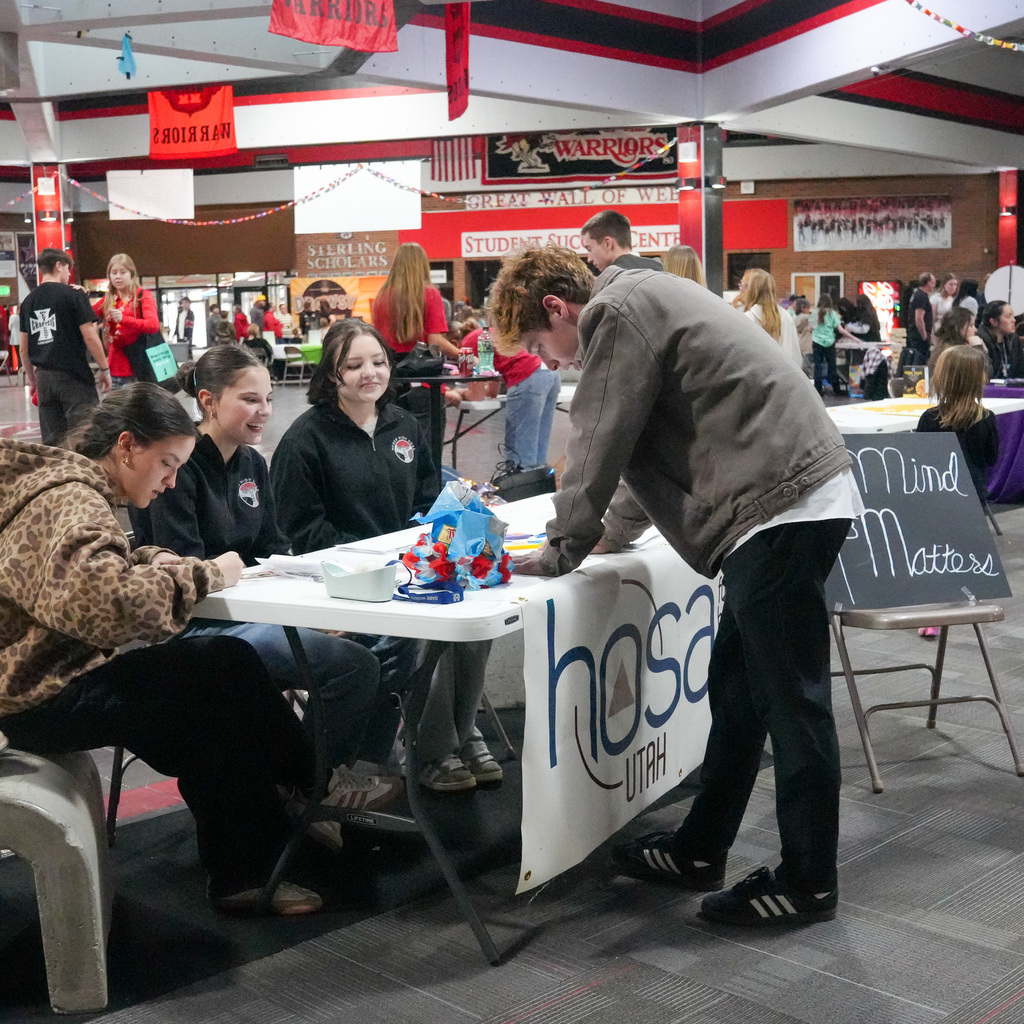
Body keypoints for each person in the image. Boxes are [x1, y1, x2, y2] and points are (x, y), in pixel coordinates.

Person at [493, 245, 861, 927]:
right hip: (789, 500)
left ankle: (809, 882)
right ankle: (699, 849)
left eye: (543, 345)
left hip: (780, 506)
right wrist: (608, 535)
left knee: (793, 704)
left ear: (557, 308)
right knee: (739, 693)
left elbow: (596, 441)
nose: (550, 361)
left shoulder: (616, 311)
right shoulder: (643, 300)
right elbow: (638, 449)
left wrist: (564, 547)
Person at [0, 384, 324, 915]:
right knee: (225, 666)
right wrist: (205, 574)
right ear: (127, 446)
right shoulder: (73, 498)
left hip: (38, 683)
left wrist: (149, 555)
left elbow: (86, 566)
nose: (171, 481)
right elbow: (104, 604)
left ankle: (251, 866)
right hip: (43, 696)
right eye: (166, 464)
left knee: (213, 712)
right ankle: (316, 784)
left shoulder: (61, 485)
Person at [129, 346, 397, 838]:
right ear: (208, 401)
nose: (265, 411)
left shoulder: (253, 462)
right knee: (351, 665)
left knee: (379, 642)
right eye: (250, 399)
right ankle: (313, 789)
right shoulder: (177, 470)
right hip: (201, 627)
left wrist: (308, 601)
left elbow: (276, 550)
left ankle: (335, 780)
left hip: (258, 612)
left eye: (269, 399)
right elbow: (187, 576)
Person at [270, 320, 502, 791]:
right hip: (350, 587)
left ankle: (460, 735)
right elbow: (302, 530)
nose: (369, 373)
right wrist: (373, 563)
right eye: (354, 365)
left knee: (478, 622)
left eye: (377, 362)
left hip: (410, 570)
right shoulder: (304, 441)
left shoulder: (404, 424)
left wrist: (450, 529)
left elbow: (427, 500)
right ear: (332, 374)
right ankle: (434, 751)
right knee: (425, 633)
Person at [19, 247, 110, 446]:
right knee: (85, 437)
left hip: (44, 379)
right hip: (73, 376)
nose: (69, 275)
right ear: (59, 266)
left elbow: (23, 350)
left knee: (53, 444)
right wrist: (105, 368)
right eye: (69, 269)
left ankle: (57, 477)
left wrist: (33, 381)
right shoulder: (73, 295)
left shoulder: (27, 302)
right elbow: (90, 336)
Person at [462, 321, 561, 468]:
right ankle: (539, 485)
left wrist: (459, 394)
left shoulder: (467, 344)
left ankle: (521, 486)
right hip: (549, 372)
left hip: (527, 376)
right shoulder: (492, 333)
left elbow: (476, 395)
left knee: (520, 449)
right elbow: (493, 383)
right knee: (539, 445)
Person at [918, 345, 998, 504]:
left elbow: (920, 459)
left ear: (941, 378)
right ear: (978, 380)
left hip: (935, 494)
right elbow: (991, 458)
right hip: (974, 496)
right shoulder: (985, 418)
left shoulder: (929, 418)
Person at [372, 242, 460, 360]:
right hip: (418, 369)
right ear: (423, 264)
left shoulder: (382, 296)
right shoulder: (430, 294)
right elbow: (435, 341)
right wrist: (464, 356)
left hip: (388, 367)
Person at [93, 253, 160, 391]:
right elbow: (86, 313)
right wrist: (78, 296)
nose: (118, 276)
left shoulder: (142, 296)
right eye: (114, 272)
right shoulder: (109, 299)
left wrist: (124, 319)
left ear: (131, 274)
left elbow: (153, 325)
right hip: (113, 369)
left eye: (123, 272)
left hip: (137, 370)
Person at [733, 269, 802, 368]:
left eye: (744, 284)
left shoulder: (747, 319)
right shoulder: (786, 316)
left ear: (751, 290)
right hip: (785, 376)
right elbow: (796, 355)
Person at [579, 210, 662, 272]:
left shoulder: (610, 281)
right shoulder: (661, 269)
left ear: (607, 244)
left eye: (589, 249)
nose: (589, 259)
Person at [811, 293, 858, 396]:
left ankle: (818, 390)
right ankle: (836, 389)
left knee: (817, 367)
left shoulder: (815, 312)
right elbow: (841, 330)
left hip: (817, 342)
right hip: (830, 342)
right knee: (832, 366)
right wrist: (855, 338)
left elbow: (812, 328)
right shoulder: (833, 314)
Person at [927, 306, 985, 373]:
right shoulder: (955, 353)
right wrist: (978, 348)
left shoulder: (944, 347)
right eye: (971, 326)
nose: (975, 330)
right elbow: (981, 374)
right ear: (958, 328)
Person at [978, 300, 1024, 379]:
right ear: (993, 321)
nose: (1014, 320)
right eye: (1008, 316)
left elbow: (1021, 369)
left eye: (1013, 316)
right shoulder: (982, 340)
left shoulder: (1014, 339)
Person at [905, 272, 935, 362]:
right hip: (918, 336)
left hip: (915, 334)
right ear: (928, 282)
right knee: (920, 360)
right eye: (933, 283)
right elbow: (919, 318)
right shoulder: (921, 296)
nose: (934, 286)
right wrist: (925, 337)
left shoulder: (917, 294)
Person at [930, 273, 958, 338]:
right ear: (944, 285)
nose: (953, 287)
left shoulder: (955, 299)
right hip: (938, 329)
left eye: (955, 285)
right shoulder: (936, 298)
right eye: (950, 284)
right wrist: (931, 333)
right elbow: (931, 317)